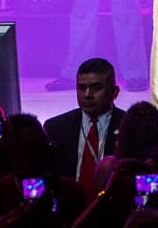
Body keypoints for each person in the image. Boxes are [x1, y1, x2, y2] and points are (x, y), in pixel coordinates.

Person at [41, 57, 126, 197]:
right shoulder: (55, 128)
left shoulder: (127, 127)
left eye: (96, 88)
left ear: (114, 92)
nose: (87, 95)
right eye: (81, 88)